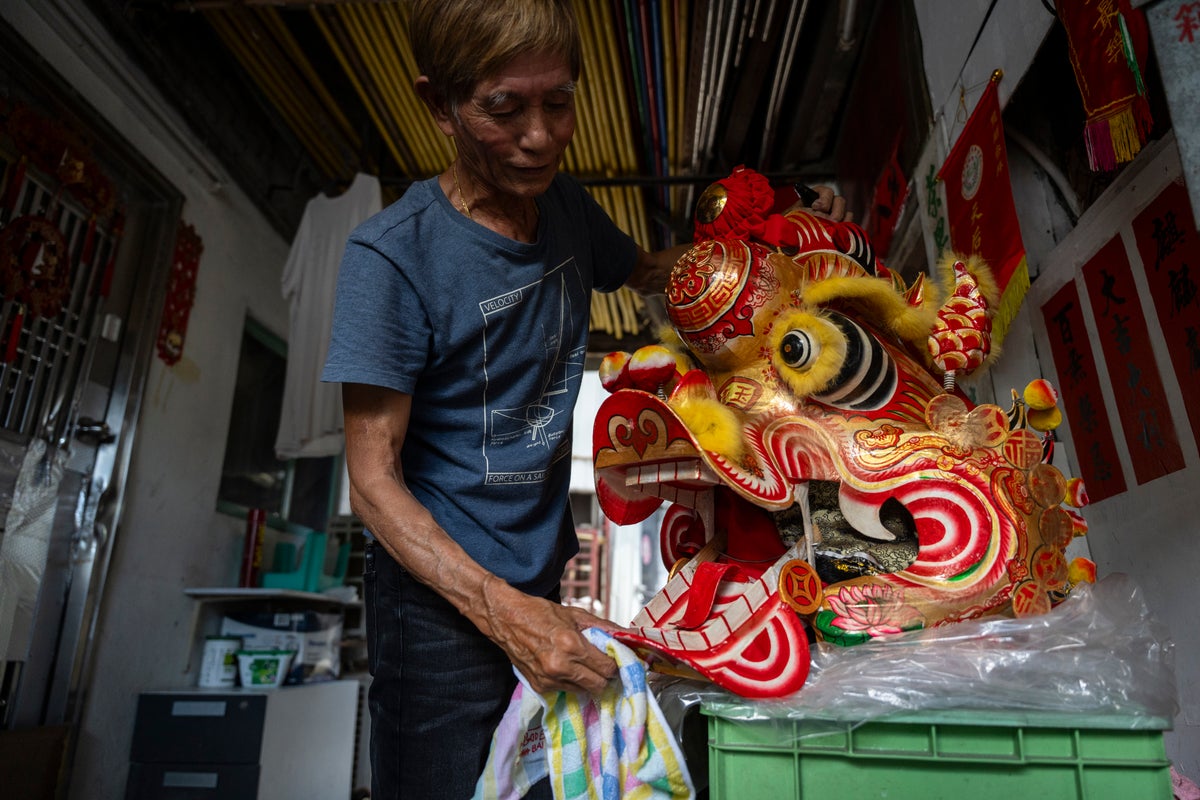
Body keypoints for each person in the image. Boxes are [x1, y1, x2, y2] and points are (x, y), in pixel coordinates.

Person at [321, 2, 843, 797]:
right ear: (439, 106)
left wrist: (774, 238)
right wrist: (500, 611)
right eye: (503, 109)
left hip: (535, 574)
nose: (539, 136)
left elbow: (647, 270)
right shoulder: (392, 257)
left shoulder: (563, 207)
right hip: (436, 604)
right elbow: (373, 481)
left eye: (558, 102)